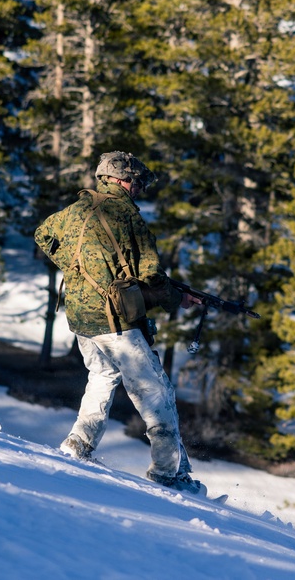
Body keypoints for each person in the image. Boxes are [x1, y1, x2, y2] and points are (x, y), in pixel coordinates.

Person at [34, 151, 205, 495]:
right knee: (156, 392)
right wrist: (179, 299)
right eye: (137, 182)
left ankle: (79, 443)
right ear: (123, 180)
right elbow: (152, 275)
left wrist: (74, 266)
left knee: (102, 376)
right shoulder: (127, 216)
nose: (139, 189)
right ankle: (168, 474)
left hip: (82, 319)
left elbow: (42, 234)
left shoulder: (75, 209)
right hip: (115, 322)